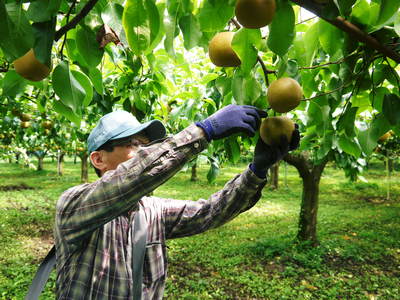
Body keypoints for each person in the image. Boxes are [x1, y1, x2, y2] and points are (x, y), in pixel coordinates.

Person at [54, 105, 300, 299]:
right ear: (98, 159)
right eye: (134, 144)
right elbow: (131, 178)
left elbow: (210, 211)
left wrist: (257, 171)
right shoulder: (72, 205)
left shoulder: (151, 211)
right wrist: (204, 131)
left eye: (147, 145)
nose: (145, 152)